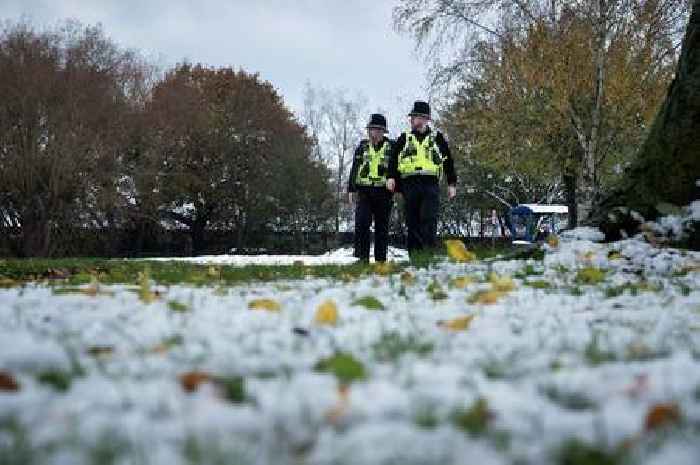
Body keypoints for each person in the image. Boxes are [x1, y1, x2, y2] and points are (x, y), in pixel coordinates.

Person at [386, 101, 457, 257]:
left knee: (428, 218)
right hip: (409, 183)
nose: (413, 120)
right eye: (412, 117)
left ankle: (428, 254)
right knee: (412, 221)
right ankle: (415, 257)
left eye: (416, 117)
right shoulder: (404, 138)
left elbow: (448, 160)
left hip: (430, 183)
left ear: (426, 119)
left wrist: (451, 183)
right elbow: (393, 159)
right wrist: (391, 177)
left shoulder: (437, 138)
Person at [348, 113, 394, 262]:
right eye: (371, 129)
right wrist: (351, 189)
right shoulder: (362, 147)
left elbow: (396, 169)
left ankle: (381, 260)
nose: (372, 133)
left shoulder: (391, 147)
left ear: (382, 131)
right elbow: (355, 168)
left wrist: (395, 183)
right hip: (364, 191)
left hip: (383, 192)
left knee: (382, 227)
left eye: (376, 130)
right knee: (362, 223)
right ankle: (363, 259)